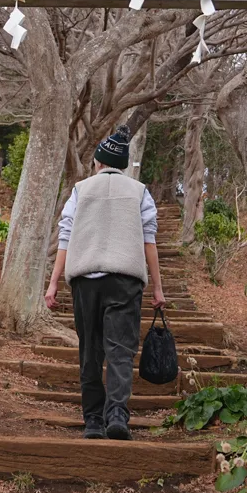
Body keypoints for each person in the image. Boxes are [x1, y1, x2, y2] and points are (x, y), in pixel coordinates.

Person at [43, 125, 166, 440]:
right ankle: (117, 417)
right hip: (125, 280)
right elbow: (149, 241)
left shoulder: (80, 190)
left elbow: (65, 237)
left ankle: (93, 421)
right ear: (123, 164)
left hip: (86, 281)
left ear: (97, 161)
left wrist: (53, 283)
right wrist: (157, 287)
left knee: (90, 351)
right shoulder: (139, 191)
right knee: (120, 351)